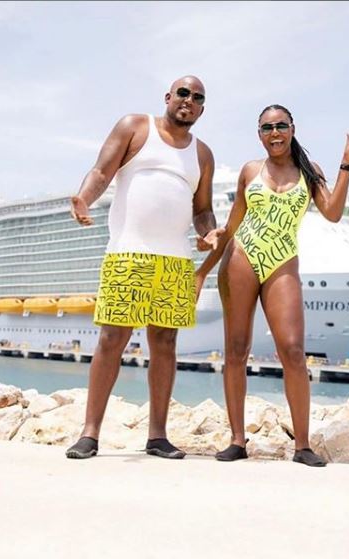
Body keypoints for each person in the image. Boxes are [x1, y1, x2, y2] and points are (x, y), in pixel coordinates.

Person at [196, 104, 349, 465]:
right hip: (241, 259)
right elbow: (232, 226)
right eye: (267, 128)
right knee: (236, 349)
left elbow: (333, 213)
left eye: (280, 126)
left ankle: (302, 445)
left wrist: (346, 165)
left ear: (292, 128)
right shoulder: (250, 171)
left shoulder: (310, 171)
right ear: (259, 134)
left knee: (292, 350)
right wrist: (202, 272)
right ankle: (237, 440)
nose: (274, 133)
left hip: (282, 262)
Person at [66, 76, 217, 460]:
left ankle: (158, 436)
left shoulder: (202, 154)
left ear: (202, 108)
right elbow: (101, 172)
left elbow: (202, 209)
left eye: (198, 97)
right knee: (112, 338)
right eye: (183, 93)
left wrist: (208, 233)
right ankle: (89, 433)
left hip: (176, 260)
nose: (189, 100)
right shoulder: (135, 126)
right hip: (128, 253)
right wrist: (84, 198)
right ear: (168, 97)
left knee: (165, 344)